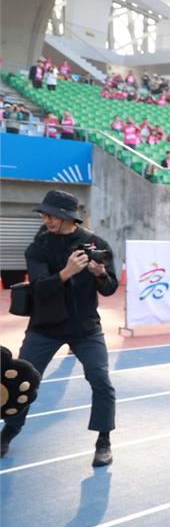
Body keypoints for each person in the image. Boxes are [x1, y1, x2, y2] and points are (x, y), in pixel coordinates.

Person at [0, 191, 118, 466]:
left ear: (67, 216)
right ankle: (9, 431)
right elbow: (39, 289)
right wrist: (66, 272)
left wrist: (100, 275)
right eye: (44, 214)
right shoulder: (38, 246)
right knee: (20, 381)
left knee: (101, 380)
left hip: (85, 327)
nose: (46, 219)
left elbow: (110, 287)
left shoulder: (95, 243)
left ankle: (103, 440)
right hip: (45, 327)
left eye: (50, 214)